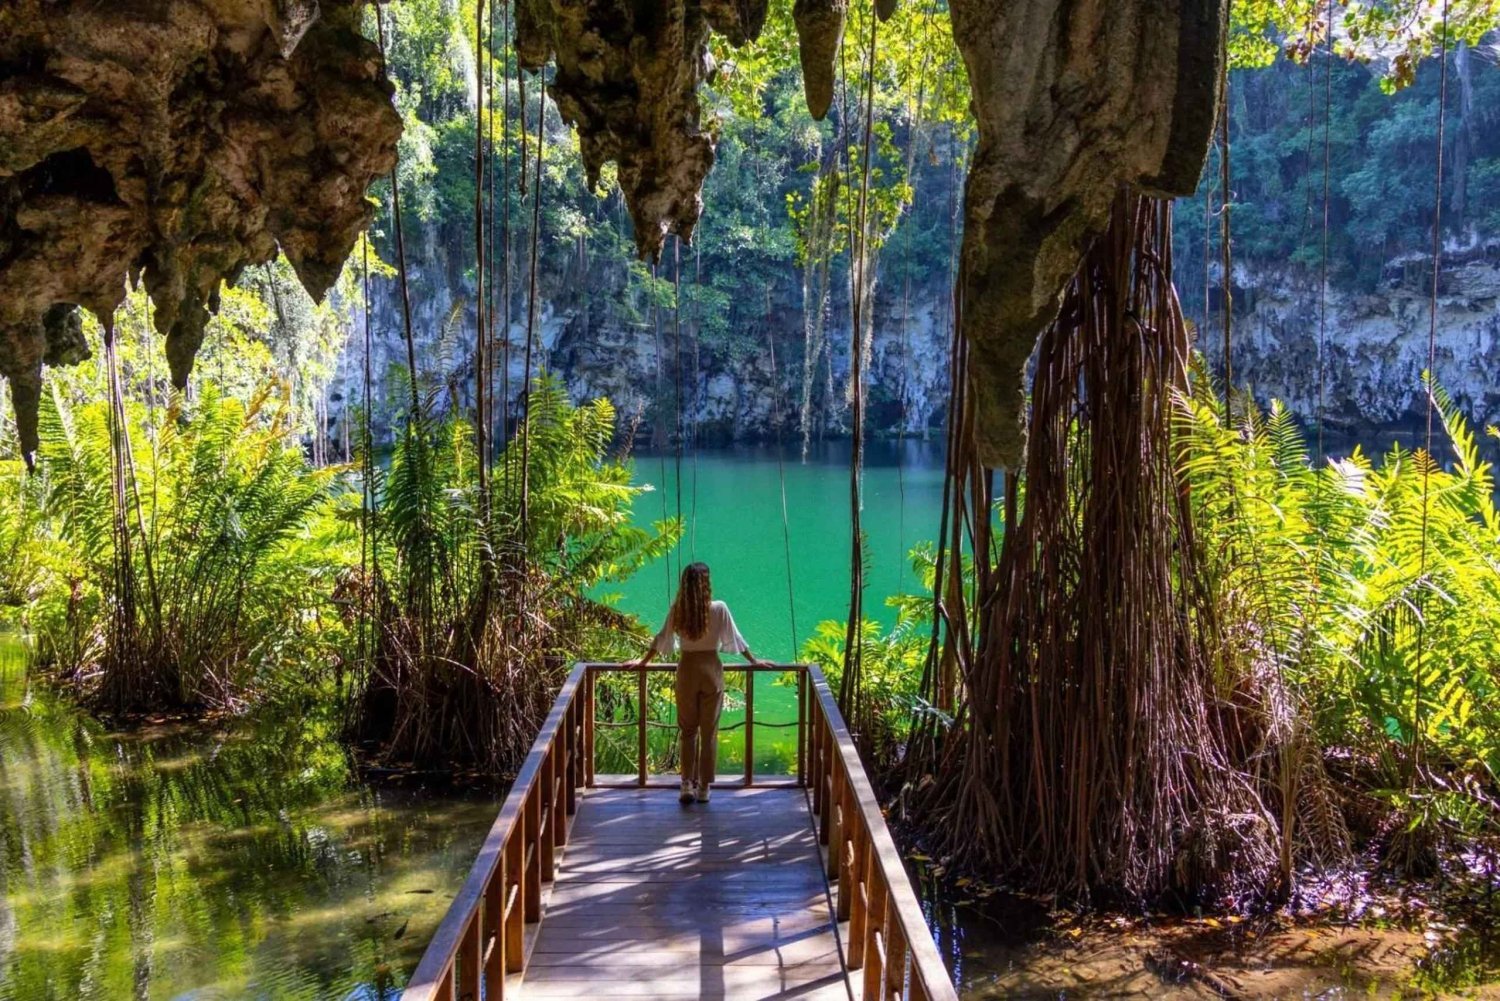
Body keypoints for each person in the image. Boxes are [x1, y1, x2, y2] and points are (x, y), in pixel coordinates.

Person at [635, 562, 762, 804]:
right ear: (707, 584)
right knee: (709, 732)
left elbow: (662, 638)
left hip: (687, 671)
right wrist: (754, 661)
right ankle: (704, 787)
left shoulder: (678, 610)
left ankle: (686, 784)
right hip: (711, 671)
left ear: (684, 584)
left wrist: (643, 662)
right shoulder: (719, 609)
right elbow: (736, 640)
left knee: (688, 731)